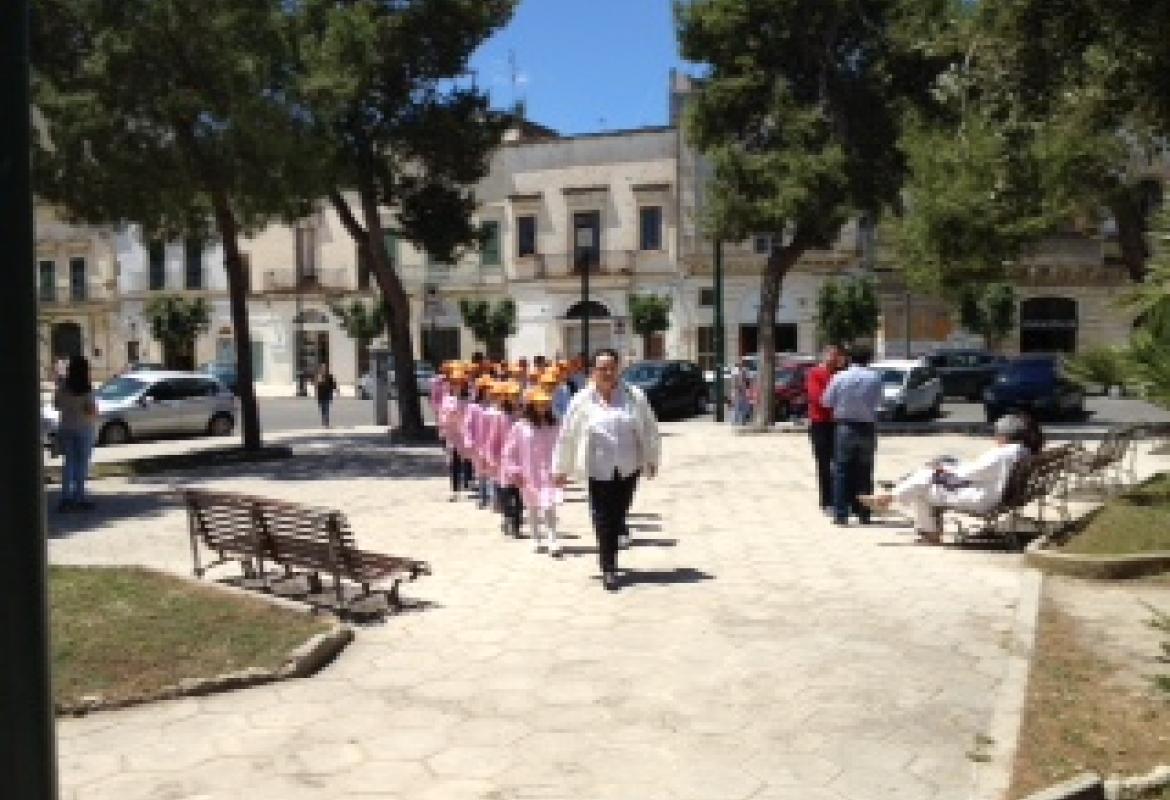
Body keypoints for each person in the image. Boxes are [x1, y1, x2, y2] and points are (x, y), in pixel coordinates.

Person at [552, 348, 661, 592]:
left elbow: (649, 427)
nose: (608, 372)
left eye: (612, 367)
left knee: (619, 512)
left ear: (619, 368)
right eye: (602, 368)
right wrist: (560, 468)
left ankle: (609, 544)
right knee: (604, 517)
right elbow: (567, 435)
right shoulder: (581, 400)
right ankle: (608, 567)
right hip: (597, 466)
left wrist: (651, 458)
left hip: (627, 465)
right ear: (592, 372)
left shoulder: (634, 396)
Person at [859, 414, 1032, 544]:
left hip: (982, 499)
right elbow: (980, 471)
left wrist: (947, 468)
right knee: (925, 478)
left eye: (996, 434)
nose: (995, 438)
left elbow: (971, 473)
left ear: (1004, 435)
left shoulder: (1002, 453)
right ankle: (891, 497)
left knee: (923, 483)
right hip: (993, 494)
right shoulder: (1021, 451)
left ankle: (896, 504)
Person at [821, 344, 883, 526]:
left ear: (849, 358)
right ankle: (864, 513)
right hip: (867, 427)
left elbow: (826, 401)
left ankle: (841, 514)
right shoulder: (875, 378)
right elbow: (880, 402)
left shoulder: (840, 377)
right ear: (869, 358)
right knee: (865, 471)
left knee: (841, 471)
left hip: (845, 427)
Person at [504, 387, 564, 556]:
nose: (543, 408)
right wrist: (514, 471)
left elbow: (562, 446)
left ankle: (552, 539)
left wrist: (563, 468)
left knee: (549, 505)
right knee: (532, 507)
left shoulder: (555, 425)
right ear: (531, 406)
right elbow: (510, 451)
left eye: (545, 404)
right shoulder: (520, 427)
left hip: (549, 472)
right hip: (528, 473)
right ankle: (536, 537)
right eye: (539, 404)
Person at [54, 355, 98, 511]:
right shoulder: (87, 389)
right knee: (82, 464)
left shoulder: (63, 386)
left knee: (69, 463)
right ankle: (79, 497)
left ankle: (65, 498)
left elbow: (57, 405)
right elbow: (92, 411)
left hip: (66, 427)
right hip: (84, 428)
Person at [806, 345, 844, 514]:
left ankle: (841, 499)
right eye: (832, 356)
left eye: (837, 356)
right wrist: (836, 407)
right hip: (821, 424)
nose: (835, 359)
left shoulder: (840, 374)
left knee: (840, 464)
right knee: (823, 463)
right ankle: (826, 501)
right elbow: (817, 398)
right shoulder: (815, 373)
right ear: (825, 356)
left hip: (838, 423)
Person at [731, 358, 752, 426]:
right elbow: (736, 382)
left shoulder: (744, 371)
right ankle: (737, 421)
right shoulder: (737, 372)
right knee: (738, 406)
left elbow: (747, 382)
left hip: (742, 391)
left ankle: (742, 420)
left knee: (742, 406)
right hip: (739, 391)